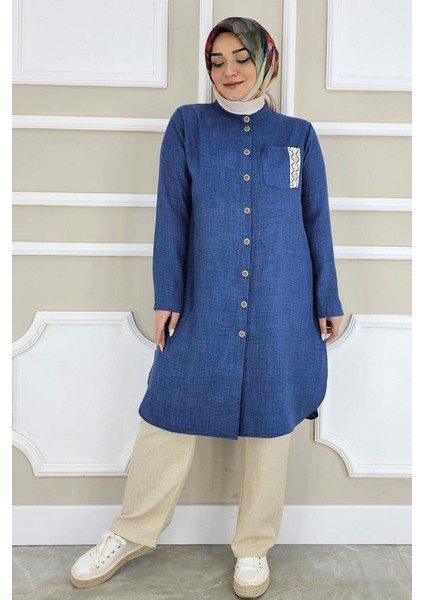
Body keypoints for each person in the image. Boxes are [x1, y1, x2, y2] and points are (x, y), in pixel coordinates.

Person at [70, 16, 344, 598]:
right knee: (167, 410)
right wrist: (167, 295)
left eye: (241, 58)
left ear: (266, 62)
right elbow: (172, 213)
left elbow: (315, 220)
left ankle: (254, 547)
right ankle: (132, 531)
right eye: (217, 61)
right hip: (206, 297)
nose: (228, 72)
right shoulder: (188, 126)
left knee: (271, 419)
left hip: (282, 301)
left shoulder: (297, 136)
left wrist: (327, 297)